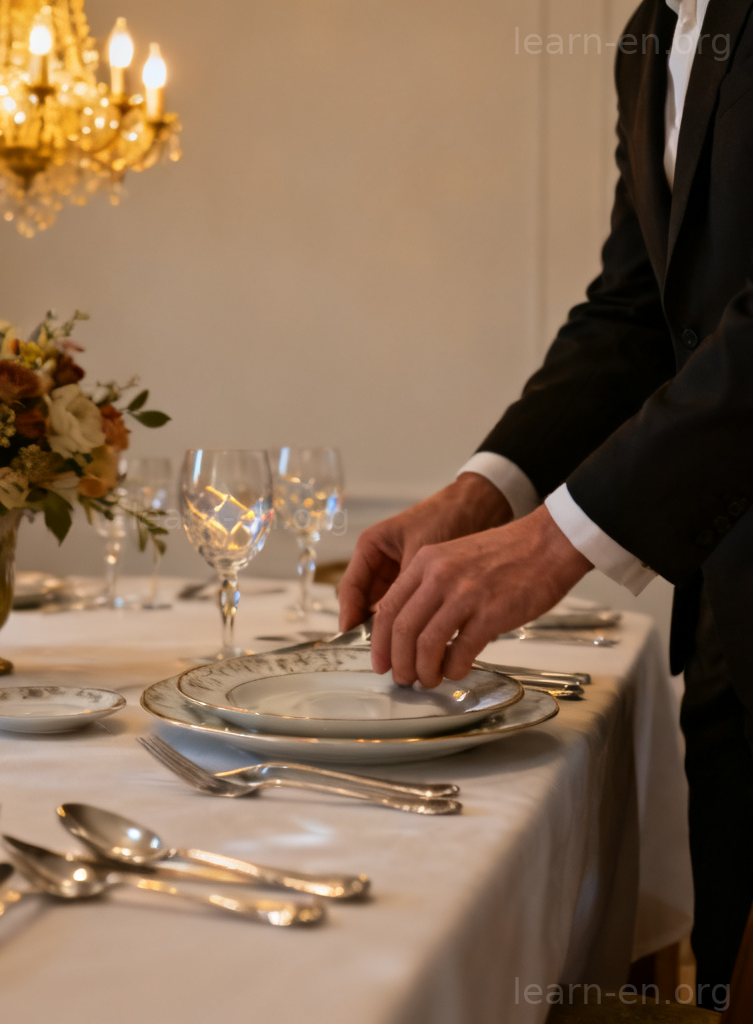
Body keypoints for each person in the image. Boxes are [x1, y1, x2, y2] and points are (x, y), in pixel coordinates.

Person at [338, 0, 753, 1009]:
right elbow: (634, 316)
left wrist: (555, 540)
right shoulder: (649, 34)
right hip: (729, 619)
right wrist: (481, 495)